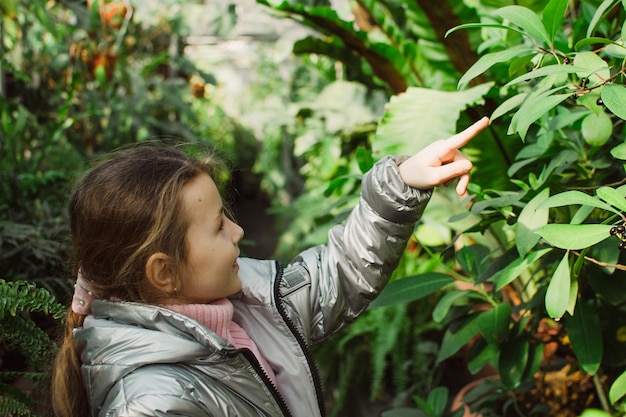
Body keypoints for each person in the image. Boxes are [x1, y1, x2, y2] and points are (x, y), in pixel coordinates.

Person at [50, 117, 490, 417]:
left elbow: (339, 274)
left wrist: (402, 182)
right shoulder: (152, 403)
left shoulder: (245, 306)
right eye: (219, 226)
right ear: (164, 273)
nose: (238, 233)